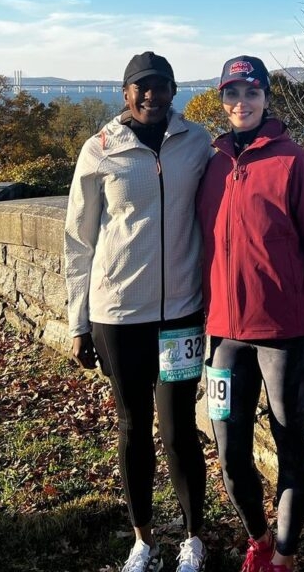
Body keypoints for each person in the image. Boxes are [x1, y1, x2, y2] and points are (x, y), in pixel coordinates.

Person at [196, 56, 304, 572]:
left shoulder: (294, 162)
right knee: (230, 450)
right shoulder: (211, 164)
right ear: (222, 99)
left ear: (267, 98)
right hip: (223, 333)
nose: (241, 103)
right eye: (232, 93)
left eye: (252, 92)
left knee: (289, 444)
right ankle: (258, 539)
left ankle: (284, 556)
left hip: (286, 333)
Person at [65, 52, 212, 572]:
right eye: (141, 87)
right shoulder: (100, 149)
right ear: (124, 92)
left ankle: (194, 539)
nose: (152, 95)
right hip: (119, 313)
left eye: (162, 86)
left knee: (178, 431)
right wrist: (77, 320)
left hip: (181, 314)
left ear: (175, 91)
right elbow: (78, 240)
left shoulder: (198, 143)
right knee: (133, 427)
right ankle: (143, 541)